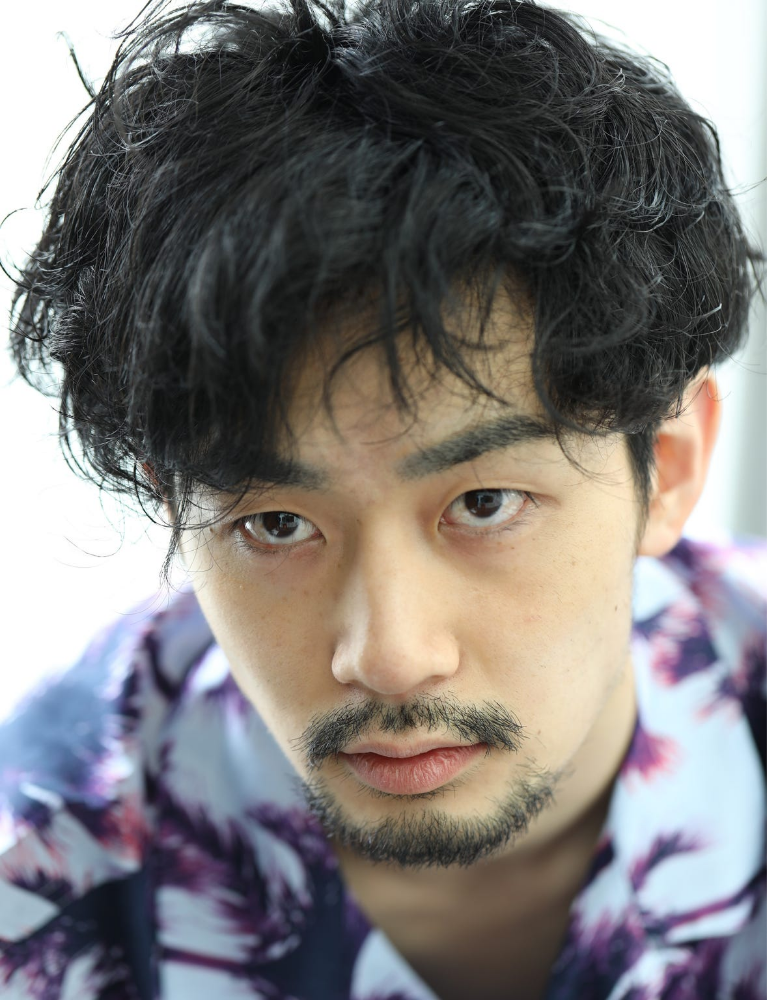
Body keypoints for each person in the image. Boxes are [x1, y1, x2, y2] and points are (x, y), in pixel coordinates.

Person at [2, 0, 766, 996]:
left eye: (484, 503)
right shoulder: (43, 878)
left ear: (666, 464)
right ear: (175, 509)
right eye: (277, 524)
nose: (390, 656)